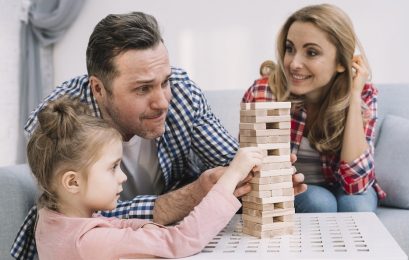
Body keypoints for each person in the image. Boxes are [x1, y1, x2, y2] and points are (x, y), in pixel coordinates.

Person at [12, 11, 307, 259]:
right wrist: (193, 194)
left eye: (164, 81)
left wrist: (263, 179)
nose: (163, 101)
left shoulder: (181, 93)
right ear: (98, 89)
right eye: (142, 88)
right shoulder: (58, 123)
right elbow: (76, 213)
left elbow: (235, 162)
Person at [27, 97, 263, 259]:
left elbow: (118, 226)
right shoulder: (87, 242)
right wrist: (231, 175)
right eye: (113, 168)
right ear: (72, 182)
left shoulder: (52, 220)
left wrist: (150, 231)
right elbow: (181, 241)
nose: (122, 177)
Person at [242, 4, 386, 213]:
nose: (293, 63)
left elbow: (357, 184)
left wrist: (353, 97)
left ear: (341, 63)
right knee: (320, 202)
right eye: (290, 49)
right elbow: (253, 172)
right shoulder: (265, 91)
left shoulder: (363, 94)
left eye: (311, 52)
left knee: (357, 204)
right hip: (292, 188)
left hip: (343, 186)